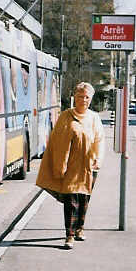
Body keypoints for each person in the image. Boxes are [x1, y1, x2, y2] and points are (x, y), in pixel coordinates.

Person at [35, 82, 103, 250]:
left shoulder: (94, 117)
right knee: (71, 201)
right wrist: (60, 165)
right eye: (81, 96)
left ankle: (80, 228)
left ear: (91, 99)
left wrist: (97, 159)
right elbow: (57, 142)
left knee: (84, 199)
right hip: (70, 166)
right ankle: (69, 235)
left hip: (89, 165)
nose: (84, 100)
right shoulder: (65, 116)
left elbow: (99, 140)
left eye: (87, 97)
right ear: (75, 97)